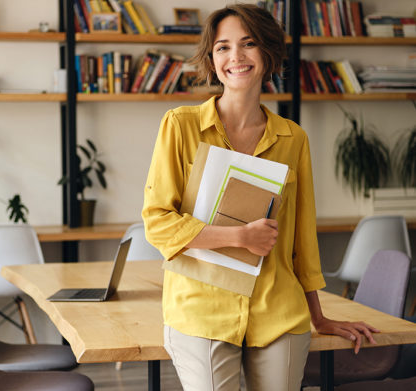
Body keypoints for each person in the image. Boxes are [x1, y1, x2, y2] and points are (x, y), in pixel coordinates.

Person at [142, 4, 379, 390]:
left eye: (248, 44)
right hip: (201, 311)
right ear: (211, 58)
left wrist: (318, 317)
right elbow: (158, 223)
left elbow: (301, 242)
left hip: (279, 311)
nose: (235, 56)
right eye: (223, 47)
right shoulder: (180, 126)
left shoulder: (292, 138)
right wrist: (238, 237)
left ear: (268, 53)